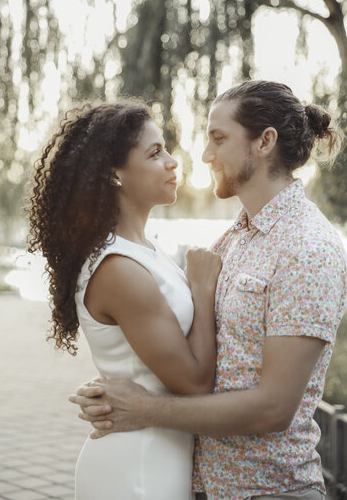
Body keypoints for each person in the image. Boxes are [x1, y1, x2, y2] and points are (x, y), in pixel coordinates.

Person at [70, 81, 347, 500]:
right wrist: (122, 376)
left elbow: (274, 408)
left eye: (219, 139)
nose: (204, 155)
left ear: (264, 142)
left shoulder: (307, 248)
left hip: (269, 490)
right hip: (199, 484)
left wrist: (143, 407)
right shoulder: (233, 240)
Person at [27, 102, 222, 500]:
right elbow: (196, 383)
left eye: (165, 149)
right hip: (139, 470)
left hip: (159, 455)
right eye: (154, 153)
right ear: (113, 173)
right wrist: (202, 290)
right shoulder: (118, 268)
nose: (172, 162)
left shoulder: (142, 249)